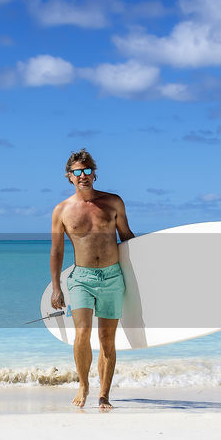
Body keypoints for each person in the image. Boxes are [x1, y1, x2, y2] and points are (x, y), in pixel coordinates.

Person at [49, 149, 134, 409]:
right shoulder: (61, 210)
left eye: (87, 171)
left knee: (107, 339)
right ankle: (84, 385)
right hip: (81, 278)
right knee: (82, 332)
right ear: (69, 177)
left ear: (94, 174)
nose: (83, 176)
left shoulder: (113, 202)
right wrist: (56, 288)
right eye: (77, 172)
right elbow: (57, 250)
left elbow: (127, 237)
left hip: (112, 276)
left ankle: (104, 395)